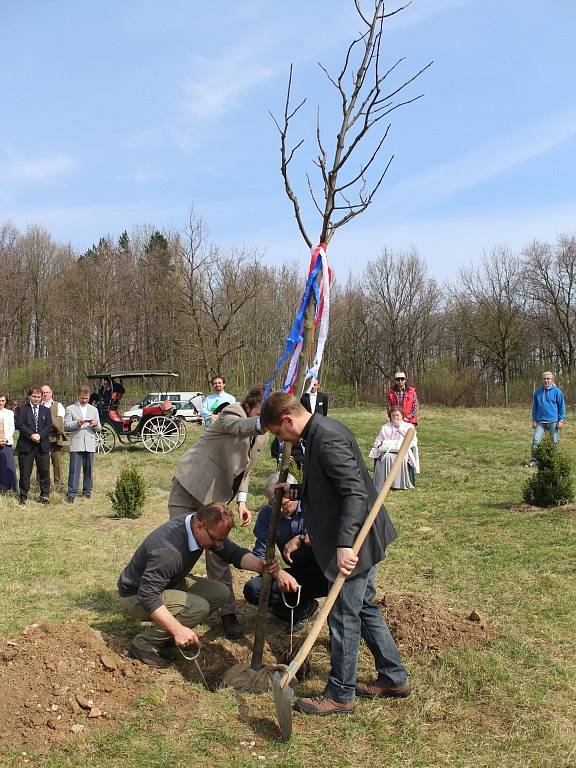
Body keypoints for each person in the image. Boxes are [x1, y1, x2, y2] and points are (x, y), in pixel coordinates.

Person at [260, 391, 409, 716]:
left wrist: (343, 545)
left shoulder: (325, 437)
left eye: (277, 432)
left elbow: (354, 493)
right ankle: (394, 677)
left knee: (343, 615)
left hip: (356, 541)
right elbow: (330, 482)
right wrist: (297, 492)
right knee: (365, 608)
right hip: (359, 537)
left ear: (287, 420)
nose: (280, 439)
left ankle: (341, 694)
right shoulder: (316, 433)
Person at [118, 502, 275, 668]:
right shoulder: (168, 552)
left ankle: (167, 638)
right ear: (200, 526)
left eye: (222, 540)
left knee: (221, 592)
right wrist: (178, 630)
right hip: (135, 596)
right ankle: (143, 645)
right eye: (216, 540)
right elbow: (147, 595)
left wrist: (260, 565)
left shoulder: (195, 524)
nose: (219, 545)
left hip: (168, 584)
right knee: (198, 607)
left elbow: (232, 552)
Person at [168, 385, 267, 639]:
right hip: (190, 487)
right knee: (179, 547)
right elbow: (238, 428)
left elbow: (246, 469)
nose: (267, 422)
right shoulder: (231, 413)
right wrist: (266, 420)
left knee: (219, 552)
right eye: (263, 413)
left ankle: (227, 612)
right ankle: (171, 606)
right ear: (251, 406)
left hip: (217, 498)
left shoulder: (263, 434)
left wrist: (242, 501)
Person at [244, 473, 328, 633]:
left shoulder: (314, 508)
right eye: (274, 504)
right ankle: (303, 608)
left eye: (284, 504)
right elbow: (260, 555)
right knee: (254, 590)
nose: (280, 510)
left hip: (322, 573)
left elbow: (330, 540)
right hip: (293, 573)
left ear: (293, 495)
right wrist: (278, 574)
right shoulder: (267, 515)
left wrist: (302, 539)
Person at [15, 386, 53, 504]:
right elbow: (19, 424)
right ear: (29, 397)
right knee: (25, 471)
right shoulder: (22, 409)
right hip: (26, 445)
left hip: (42, 445)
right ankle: (23, 496)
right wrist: (32, 435)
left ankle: (44, 495)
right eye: (34, 396)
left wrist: (39, 435)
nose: (36, 399)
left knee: (44, 471)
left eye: (38, 397)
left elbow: (48, 426)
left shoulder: (45, 410)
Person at [64, 386, 101, 502]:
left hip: (89, 443)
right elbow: (66, 426)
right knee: (74, 470)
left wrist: (95, 424)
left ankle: (87, 491)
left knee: (89, 469)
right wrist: (77, 424)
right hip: (77, 443)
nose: (85, 400)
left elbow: (99, 428)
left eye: (87, 398)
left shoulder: (94, 410)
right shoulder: (70, 409)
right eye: (82, 398)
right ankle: (72, 493)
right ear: (78, 396)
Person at [369, 407, 419, 490]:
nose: (395, 417)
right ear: (390, 416)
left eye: (397, 415)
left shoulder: (408, 426)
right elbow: (378, 441)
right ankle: (384, 483)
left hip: (402, 452)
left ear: (402, 415)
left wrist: (400, 428)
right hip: (386, 451)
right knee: (387, 456)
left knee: (389, 457)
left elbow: (413, 441)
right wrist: (380, 445)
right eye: (393, 416)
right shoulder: (385, 427)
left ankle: (395, 484)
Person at [528, 371, 566, 466]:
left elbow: (562, 407)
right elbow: (535, 407)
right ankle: (534, 460)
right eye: (544, 379)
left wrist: (561, 420)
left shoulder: (557, 391)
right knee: (536, 440)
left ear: (552, 379)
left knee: (554, 442)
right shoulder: (538, 392)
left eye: (548, 379)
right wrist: (534, 420)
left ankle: (553, 460)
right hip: (540, 422)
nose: (546, 380)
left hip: (553, 421)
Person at [40, 385, 67, 488]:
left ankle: (58, 485)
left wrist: (47, 419)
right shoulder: (38, 406)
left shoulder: (58, 406)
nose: (45, 394)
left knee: (57, 463)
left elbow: (60, 423)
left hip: (55, 438)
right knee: (42, 464)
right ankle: (43, 485)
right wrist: (52, 420)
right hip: (42, 439)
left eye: (47, 392)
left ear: (51, 393)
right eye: (43, 393)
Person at [0, 392, 17, 492]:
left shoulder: (9, 413)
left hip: (6, 443)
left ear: (5, 401)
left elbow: (12, 428)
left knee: (7, 465)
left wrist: (5, 439)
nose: (0, 403)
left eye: (2, 401)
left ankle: (9, 488)